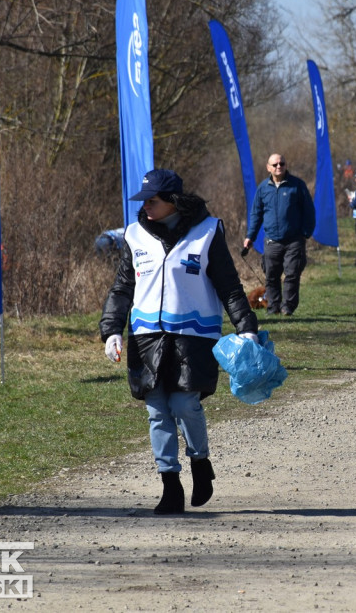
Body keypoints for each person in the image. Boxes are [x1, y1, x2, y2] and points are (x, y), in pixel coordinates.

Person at [100, 169, 259, 514]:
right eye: (143, 202)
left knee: (185, 405)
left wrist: (246, 327)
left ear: (173, 201)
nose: (146, 208)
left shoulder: (207, 231)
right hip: (146, 338)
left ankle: (200, 463)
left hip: (193, 336)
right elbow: (122, 288)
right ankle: (170, 485)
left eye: (152, 201)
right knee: (157, 410)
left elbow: (229, 285)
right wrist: (112, 329)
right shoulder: (134, 235)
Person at [243, 153, 316, 316]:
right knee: (271, 276)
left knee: (292, 274)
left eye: (282, 164)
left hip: (294, 240)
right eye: (275, 165)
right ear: (268, 167)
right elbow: (256, 214)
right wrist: (250, 237)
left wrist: (305, 233)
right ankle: (273, 307)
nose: (279, 167)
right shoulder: (262, 188)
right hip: (271, 241)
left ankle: (287, 308)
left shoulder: (297, 185)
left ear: (286, 165)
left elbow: (309, 212)